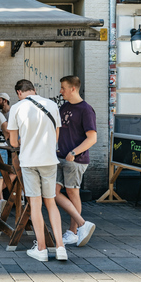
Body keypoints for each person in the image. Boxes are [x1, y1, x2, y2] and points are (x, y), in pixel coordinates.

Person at [7, 79, 67, 262]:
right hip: (49, 160)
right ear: (34, 90)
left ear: (19, 92)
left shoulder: (16, 108)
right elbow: (56, 135)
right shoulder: (51, 104)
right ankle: (60, 247)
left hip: (29, 160)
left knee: (35, 204)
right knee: (51, 203)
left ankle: (41, 248)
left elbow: (13, 142)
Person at [55, 75, 97, 247]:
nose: (60, 91)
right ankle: (81, 225)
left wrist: (74, 152)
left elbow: (92, 138)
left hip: (75, 160)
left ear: (73, 88)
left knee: (73, 194)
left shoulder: (86, 110)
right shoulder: (63, 107)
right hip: (59, 157)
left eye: (63, 88)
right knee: (52, 192)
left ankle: (73, 232)